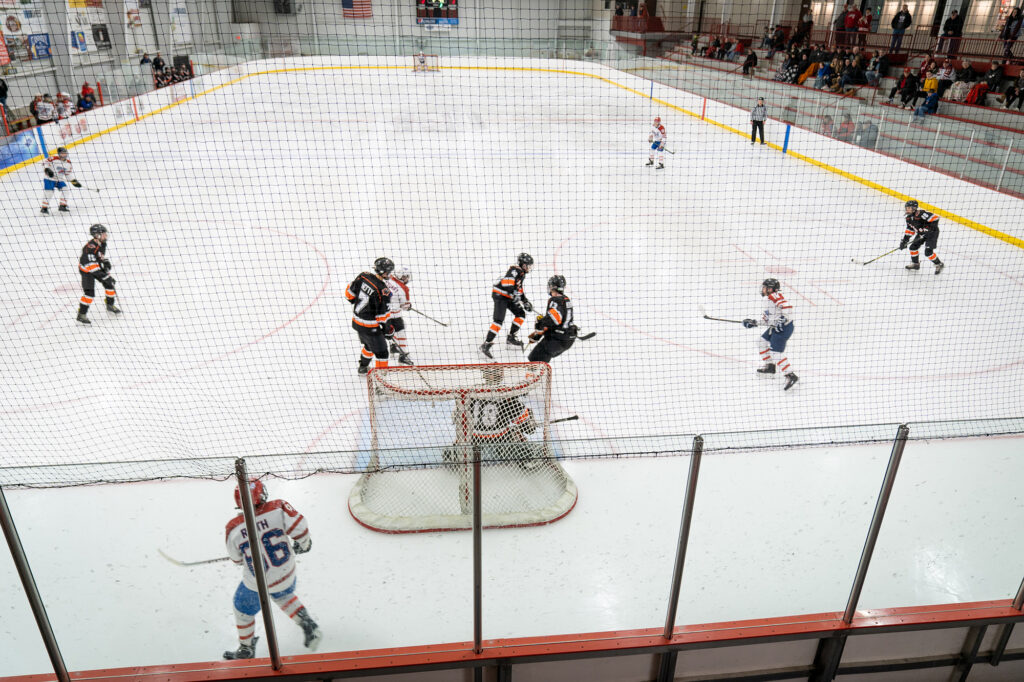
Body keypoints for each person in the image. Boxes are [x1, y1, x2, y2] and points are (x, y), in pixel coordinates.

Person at [222, 479, 322, 660]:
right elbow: (301, 530)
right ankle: (308, 624)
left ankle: (246, 649)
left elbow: (236, 560)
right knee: (282, 594)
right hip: (286, 574)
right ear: (261, 495)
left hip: (257, 584)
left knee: (242, 608)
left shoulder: (233, 528)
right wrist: (304, 544)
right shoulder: (278, 507)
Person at [445, 366, 542, 472]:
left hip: (474, 437)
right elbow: (526, 426)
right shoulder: (507, 393)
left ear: (485, 375)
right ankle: (526, 458)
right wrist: (529, 423)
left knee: (462, 435)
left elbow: (456, 418)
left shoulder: (471, 392)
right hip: (500, 437)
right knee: (515, 431)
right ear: (500, 376)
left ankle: (455, 455)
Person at [742, 279, 798, 391]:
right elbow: (769, 321)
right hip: (775, 327)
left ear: (771, 289)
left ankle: (790, 375)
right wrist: (755, 323)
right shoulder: (767, 300)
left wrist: (783, 320)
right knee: (761, 342)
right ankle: (770, 366)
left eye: (764, 287)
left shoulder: (774, 296)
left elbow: (788, 308)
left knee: (776, 353)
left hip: (784, 328)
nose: (762, 289)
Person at [345, 258, 394, 374]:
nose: (390, 274)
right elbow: (383, 318)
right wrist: (388, 331)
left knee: (369, 345)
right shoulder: (384, 291)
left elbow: (349, 295)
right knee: (382, 353)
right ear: (383, 272)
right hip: (370, 327)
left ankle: (363, 367)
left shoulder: (363, 276)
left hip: (356, 322)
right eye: (389, 272)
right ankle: (380, 384)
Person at [480, 253, 533, 358]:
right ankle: (485, 345)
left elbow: (519, 289)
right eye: (528, 265)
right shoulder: (515, 270)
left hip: (507, 296)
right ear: (523, 264)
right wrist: (514, 293)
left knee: (521, 314)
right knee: (498, 321)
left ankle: (511, 338)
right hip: (500, 295)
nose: (529, 267)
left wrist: (525, 301)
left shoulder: (522, 273)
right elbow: (507, 283)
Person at [527, 275, 578, 364]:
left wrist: (540, 323)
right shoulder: (566, 299)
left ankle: (533, 377)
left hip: (558, 339)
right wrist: (538, 334)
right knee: (540, 359)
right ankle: (537, 376)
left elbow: (554, 319)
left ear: (552, 287)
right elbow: (556, 322)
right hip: (567, 339)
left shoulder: (555, 300)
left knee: (535, 357)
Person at [77, 224, 120, 324]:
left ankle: (109, 305)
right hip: (87, 271)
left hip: (95, 267)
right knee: (89, 294)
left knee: (110, 284)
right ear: (97, 235)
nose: (106, 236)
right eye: (104, 234)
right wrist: (105, 277)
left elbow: (100, 256)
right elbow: (91, 267)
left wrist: (105, 261)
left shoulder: (102, 244)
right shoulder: (90, 248)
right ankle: (81, 314)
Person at [899, 200, 943, 274]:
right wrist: (904, 241)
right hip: (921, 234)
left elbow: (935, 218)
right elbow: (910, 230)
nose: (907, 210)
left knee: (928, 252)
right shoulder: (908, 218)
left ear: (914, 208)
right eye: (906, 208)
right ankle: (915, 264)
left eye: (909, 208)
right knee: (913, 248)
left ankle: (939, 264)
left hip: (932, 233)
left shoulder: (921, 214)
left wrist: (929, 229)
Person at [385, 266, 414, 366]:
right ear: (400, 276)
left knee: (389, 332)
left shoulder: (388, 278)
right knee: (401, 333)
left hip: (382, 314)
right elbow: (405, 306)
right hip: (394, 315)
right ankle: (403, 356)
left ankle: (393, 346)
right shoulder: (404, 289)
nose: (407, 279)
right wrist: (408, 306)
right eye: (405, 277)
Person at [41, 146, 80, 214]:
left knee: (65, 190)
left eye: (65, 153)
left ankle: (62, 206)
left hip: (59, 179)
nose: (64, 155)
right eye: (62, 153)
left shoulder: (68, 163)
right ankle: (44, 208)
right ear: (59, 154)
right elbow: (45, 163)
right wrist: (47, 169)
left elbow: (67, 174)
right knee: (49, 193)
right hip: (49, 179)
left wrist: (73, 181)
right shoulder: (54, 158)